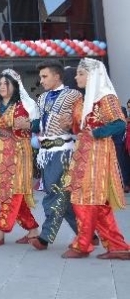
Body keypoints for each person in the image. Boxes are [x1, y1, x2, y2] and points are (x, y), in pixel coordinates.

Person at [62, 58, 130, 259]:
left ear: (92, 76)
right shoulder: (83, 100)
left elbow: (120, 123)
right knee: (96, 202)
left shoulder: (105, 97)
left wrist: (99, 132)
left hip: (98, 154)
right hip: (82, 153)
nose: (76, 77)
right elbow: (79, 128)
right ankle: (117, 246)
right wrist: (69, 124)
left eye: (81, 74)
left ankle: (82, 244)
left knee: (85, 198)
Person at [0, 70, 40, 247]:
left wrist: (26, 125)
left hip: (18, 153)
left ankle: (0, 231)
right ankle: (32, 230)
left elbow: (35, 124)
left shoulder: (24, 105)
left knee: (12, 193)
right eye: (0, 84)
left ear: (15, 86)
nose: (3, 87)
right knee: (13, 194)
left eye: (7, 84)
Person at [29, 61, 82, 251]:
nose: (41, 80)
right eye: (41, 77)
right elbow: (38, 124)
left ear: (57, 76)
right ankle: (87, 234)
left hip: (64, 151)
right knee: (63, 198)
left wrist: (72, 123)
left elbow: (82, 121)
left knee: (53, 193)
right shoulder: (42, 98)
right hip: (46, 153)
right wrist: (24, 124)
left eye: (44, 76)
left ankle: (45, 236)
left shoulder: (74, 95)